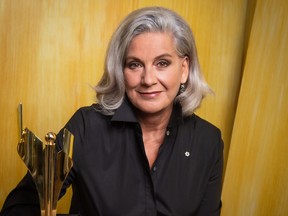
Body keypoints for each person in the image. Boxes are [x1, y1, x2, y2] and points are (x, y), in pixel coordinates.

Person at [0, 6, 223, 216]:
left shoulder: (208, 141)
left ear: (184, 69)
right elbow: (19, 207)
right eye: (134, 64)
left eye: (162, 63)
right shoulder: (86, 127)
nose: (147, 80)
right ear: (120, 70)